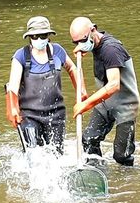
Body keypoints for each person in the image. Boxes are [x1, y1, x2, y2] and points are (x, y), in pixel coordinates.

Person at [5, 16, 84, 155]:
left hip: (56, 114)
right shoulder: (21, 56)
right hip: (30, 116)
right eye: (35, 36)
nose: (39, 40)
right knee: (33, 154)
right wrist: (13, 109)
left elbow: (73, 69)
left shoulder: (58, 51)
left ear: (49, 36)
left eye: (43, 36)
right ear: (29, 37)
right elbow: (12, 88)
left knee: (56, 155)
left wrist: (81, 90)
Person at [69, 17, 140, 166]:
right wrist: (84, 48)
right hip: (105, 103)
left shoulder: (111, 49)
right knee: (88, 139)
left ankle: (128, 181)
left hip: (125, 105)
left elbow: (114, 85)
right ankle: (98, 171)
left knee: (122, 155)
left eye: (83, 40)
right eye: (76, 43)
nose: (80, 45)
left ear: (93, 30)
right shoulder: (95, 43)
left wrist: (86, 104)